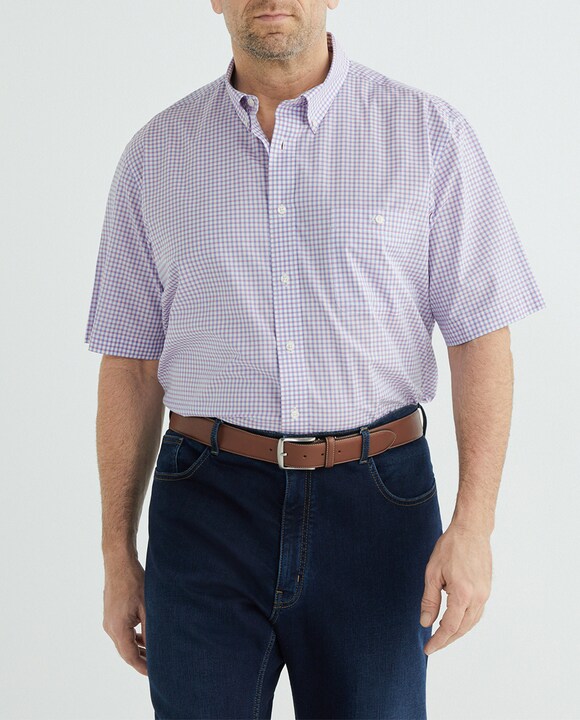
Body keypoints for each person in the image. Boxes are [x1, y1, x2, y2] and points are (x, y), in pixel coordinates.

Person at [84, 2, 546, 718]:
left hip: (379, 508)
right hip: (205, 509)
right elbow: (132, 366)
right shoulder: (156, 155)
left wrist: (475, 526)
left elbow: (480, 336)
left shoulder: (428, 135)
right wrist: (116, 554)